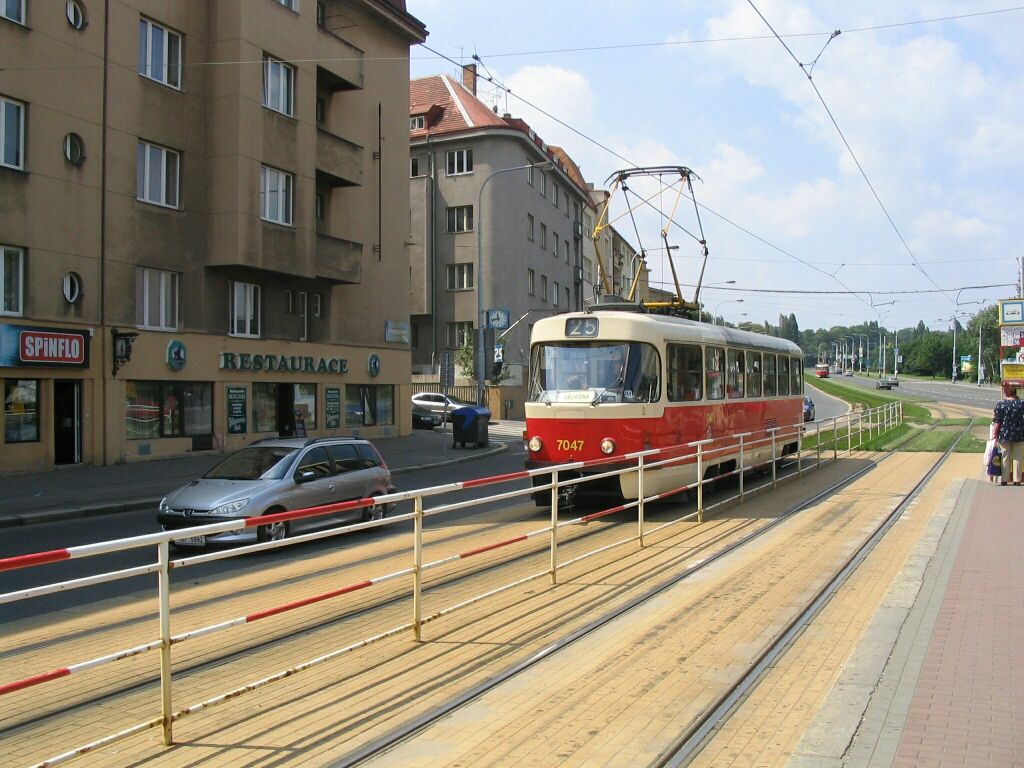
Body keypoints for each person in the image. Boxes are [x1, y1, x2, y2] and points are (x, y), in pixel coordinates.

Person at [992, 383, 1024, 486]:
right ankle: (1017, 480)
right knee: (1018, 457)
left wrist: (995, 434)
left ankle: (1004, 480)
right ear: (1015, 393)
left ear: (1007, 393)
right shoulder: (1022, 403)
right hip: (1019, 434)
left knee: (1005, 456)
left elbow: (997, 422)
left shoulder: (1001, 404)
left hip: (1004, 434)